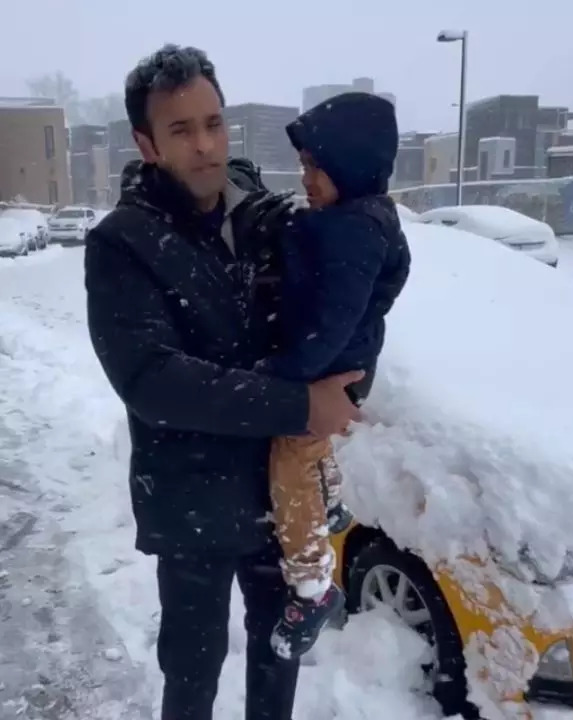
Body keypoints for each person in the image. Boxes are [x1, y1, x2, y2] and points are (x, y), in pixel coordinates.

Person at [84, 44, 362, 720]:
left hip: (276, 492)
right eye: (182, 130)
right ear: (147, 143)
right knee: (192, 674)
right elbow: (152, 381)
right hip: (189, 501)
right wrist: (300, 405)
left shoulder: (265, 219)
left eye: (214, 122)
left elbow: (331, 308)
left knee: (278, 666)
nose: (205, 145)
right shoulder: (123, 243)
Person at [257, 90, 412, 661]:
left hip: (327, 365)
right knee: (314, 445)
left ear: (349, 168)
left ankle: (312, 584)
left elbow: (332, 318)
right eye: (303, 166)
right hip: (345, 363)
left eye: (315, 168)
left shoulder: (353, 232)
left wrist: (286, 375)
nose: (306, 178)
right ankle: (334, 502)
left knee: (289, 455)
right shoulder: (356, 219)